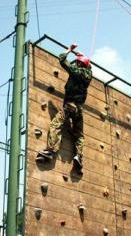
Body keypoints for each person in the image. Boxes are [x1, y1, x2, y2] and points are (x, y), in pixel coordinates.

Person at [36, 43, 92, 172]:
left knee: (55, 125)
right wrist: (82, 57)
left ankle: (51, 151)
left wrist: (70, 50)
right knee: (79, 135)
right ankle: (79, 156)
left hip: (69, 106)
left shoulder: (74, 70)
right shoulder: (89, 75)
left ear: (78, 64)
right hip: (79, 109)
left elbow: (61, 58)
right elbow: (89, 66)